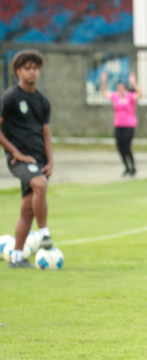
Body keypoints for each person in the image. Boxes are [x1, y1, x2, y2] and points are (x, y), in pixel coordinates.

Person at [0, 49, 54, 268]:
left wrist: (50, 161)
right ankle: (43, 234)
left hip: (39, 160)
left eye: (35, 68)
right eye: (27, 68)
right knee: (39, 184)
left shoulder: (43, 101)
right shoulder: (10, 98)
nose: (32, 72)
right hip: (20, 160)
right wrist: (15, 152)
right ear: (17, 71)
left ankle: (17, 256)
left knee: (27, 208)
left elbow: (46, 133)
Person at [100, 71, 142, 177]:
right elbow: (104, 93)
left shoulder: (130, 96)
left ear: (125, 89)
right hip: (118, 125)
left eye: (121, 88)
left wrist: (134, 83)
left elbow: (140, 94)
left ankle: (133, 167)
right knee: (120, 147)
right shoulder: (115, 97)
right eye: (118, 89)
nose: (120, 90)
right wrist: (104, 81)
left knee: (127, 147)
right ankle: (126, 167)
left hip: (129, 125)